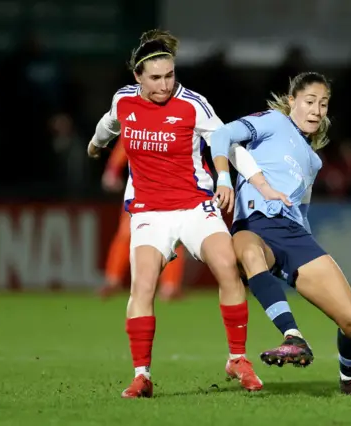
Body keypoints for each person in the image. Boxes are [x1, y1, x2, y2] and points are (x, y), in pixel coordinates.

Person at [87, 29, 284, 398]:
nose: (165, 85)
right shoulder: (124, 101)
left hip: (195, 206)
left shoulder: (193, 104)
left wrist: (256, 183)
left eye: (171, 75)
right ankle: (142, 375)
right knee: (143, 285)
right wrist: (96, 144)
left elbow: (227, 143)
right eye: (156, 78)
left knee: (227, 267)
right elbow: (109, 124)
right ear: (138, 78)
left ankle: (237, 358)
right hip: (148, 210)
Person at [210, 72, 351, 396]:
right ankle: (293, 336)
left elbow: (301, 210)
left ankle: (350, 380)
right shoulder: (273, 122)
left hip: (294, 235)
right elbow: (222, 134)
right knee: (247, 252)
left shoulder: (313, 161)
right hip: (255, 225)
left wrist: (306, 250)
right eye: (310, 101)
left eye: (323, 104)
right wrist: (224, 178)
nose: (316, 110)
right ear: (292, 100)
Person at [99, 141, 185, 302]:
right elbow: (125, 143)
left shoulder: (175, 123)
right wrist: (113, 170)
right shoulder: (139, 121)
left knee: (173, 235)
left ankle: (170, 286)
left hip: (169, 187)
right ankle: (113, 279)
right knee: (127, 232)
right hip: (140, 187)